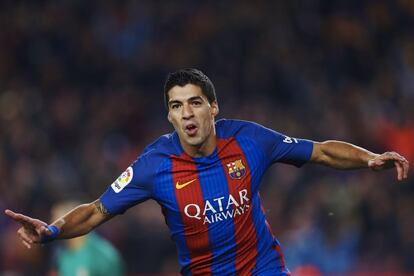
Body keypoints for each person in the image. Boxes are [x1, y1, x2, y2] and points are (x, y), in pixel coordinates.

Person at [5, 68, 409, 275]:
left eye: (195, 102)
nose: (187, 113)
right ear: (169, 115)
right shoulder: (153, 165)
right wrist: (53, 232)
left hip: (263, 268)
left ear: (213, 108)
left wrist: (369, 158)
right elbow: (95, 210)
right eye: (177, 106)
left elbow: (319, 151)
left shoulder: (250, 140)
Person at [49, 201, 124, 276]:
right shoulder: (62, 255)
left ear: (72, 221)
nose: (52, 228)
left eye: (57, 222)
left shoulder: (102, 255)